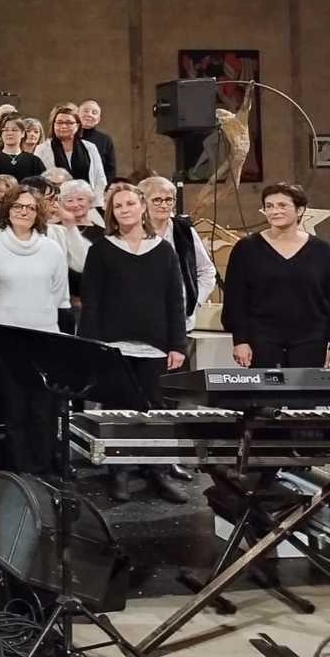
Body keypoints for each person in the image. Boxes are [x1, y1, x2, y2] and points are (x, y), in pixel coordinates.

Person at [81, 183, 189, 503]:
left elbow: (175, 300)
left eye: (130, 203)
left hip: (155, 344)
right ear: (111, 213)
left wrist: (177, 345)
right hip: (114, 346)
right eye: (118, 206)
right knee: (117, 409)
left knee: (155, 410)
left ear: (142, 207)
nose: (125, 210)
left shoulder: (163, 250)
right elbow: (91, 303)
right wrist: (91, 348)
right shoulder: (101, 250)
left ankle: (157, 471)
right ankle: (119, 471)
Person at [0, 184, 69, 476]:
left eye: (30, 207)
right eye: (18, 206)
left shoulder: (52, 249)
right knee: (13, 408)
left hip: (44, 340)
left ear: (39, 212)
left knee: (43, 409)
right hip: (6, 341)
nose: (24, 212)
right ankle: (18, 470)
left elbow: (59, 294)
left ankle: (42, 468)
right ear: (7, 210)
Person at [224, 182, 330, 370]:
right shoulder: (246, 249)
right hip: (262, 341)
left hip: (312, 342)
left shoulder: (322, 251)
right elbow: (235, 299)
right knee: (266, 390)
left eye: (282, 205)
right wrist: (240, 340)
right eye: (269, 206)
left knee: (307, 390)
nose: (275, 211)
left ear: (300, 210)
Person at [140, 175, 216, 331]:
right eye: (157, 200)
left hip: (181, 323)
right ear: (143, 202)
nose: (164, 205)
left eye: (169, 200)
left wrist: (195, 301)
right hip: (142, 323)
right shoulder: (133, 231)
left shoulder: (184, 230)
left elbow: (207, 271)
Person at [34, 106, 106, 196]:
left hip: (87, 200)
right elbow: (36, 181)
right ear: (53, 125)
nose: (63, 126)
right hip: (54, 200)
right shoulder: (42, 149)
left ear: (78, 125)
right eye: (59, 122)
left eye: (69, 123)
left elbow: (100, 179)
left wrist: (96, 202)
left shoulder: (90, 147)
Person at [0, 115, 45, 184]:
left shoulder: (34, 161)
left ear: (23, 133)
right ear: (1, 134)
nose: (9, 133)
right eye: (5, 130)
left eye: (14, 130)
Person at [78, 99, 117, 182]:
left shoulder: (105, 140)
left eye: (94, 113)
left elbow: (110, 170)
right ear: (77, 115)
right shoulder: (69, 136)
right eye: (85, 111)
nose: (89, 115)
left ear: (98, 119)